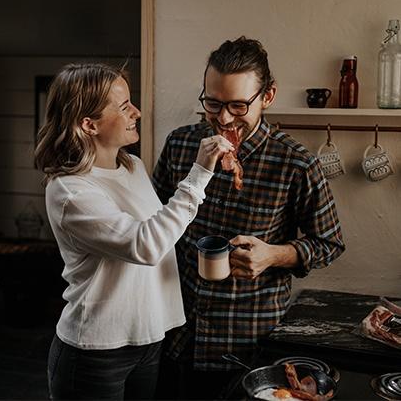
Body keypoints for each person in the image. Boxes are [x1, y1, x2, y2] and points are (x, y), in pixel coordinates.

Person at [152, 37, 345, 399]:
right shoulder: (179, 145)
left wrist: (273, 254)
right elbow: (151, 224)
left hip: (246, 351)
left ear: (267, 97)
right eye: (213, 102)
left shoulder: (296, 162)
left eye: (238, 105)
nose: (223, 118)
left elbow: (329, 243)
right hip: (174, 336)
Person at [34, 62, 234, 400]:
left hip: (148, 340)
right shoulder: (70, 191)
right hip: (95, 351)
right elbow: (146, 245)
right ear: (89, 124)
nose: (137, 112)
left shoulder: (133, 166)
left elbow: (161, 228)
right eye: (124, 106)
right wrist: (199, 173)